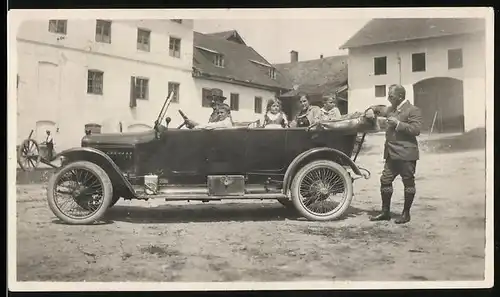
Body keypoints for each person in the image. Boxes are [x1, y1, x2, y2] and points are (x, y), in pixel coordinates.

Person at [364, 84, 423, 224]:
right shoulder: (391, 109)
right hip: (391, 154)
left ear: (400, 96)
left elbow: (416, 129)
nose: (388, 98)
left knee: (408, 182)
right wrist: (371, 110)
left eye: (391, 96)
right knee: (385, 181)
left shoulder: (413, 110)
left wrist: (398, 124)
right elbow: (379, 108)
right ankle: (385, 212)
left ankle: (406, 213)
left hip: (406, 154)